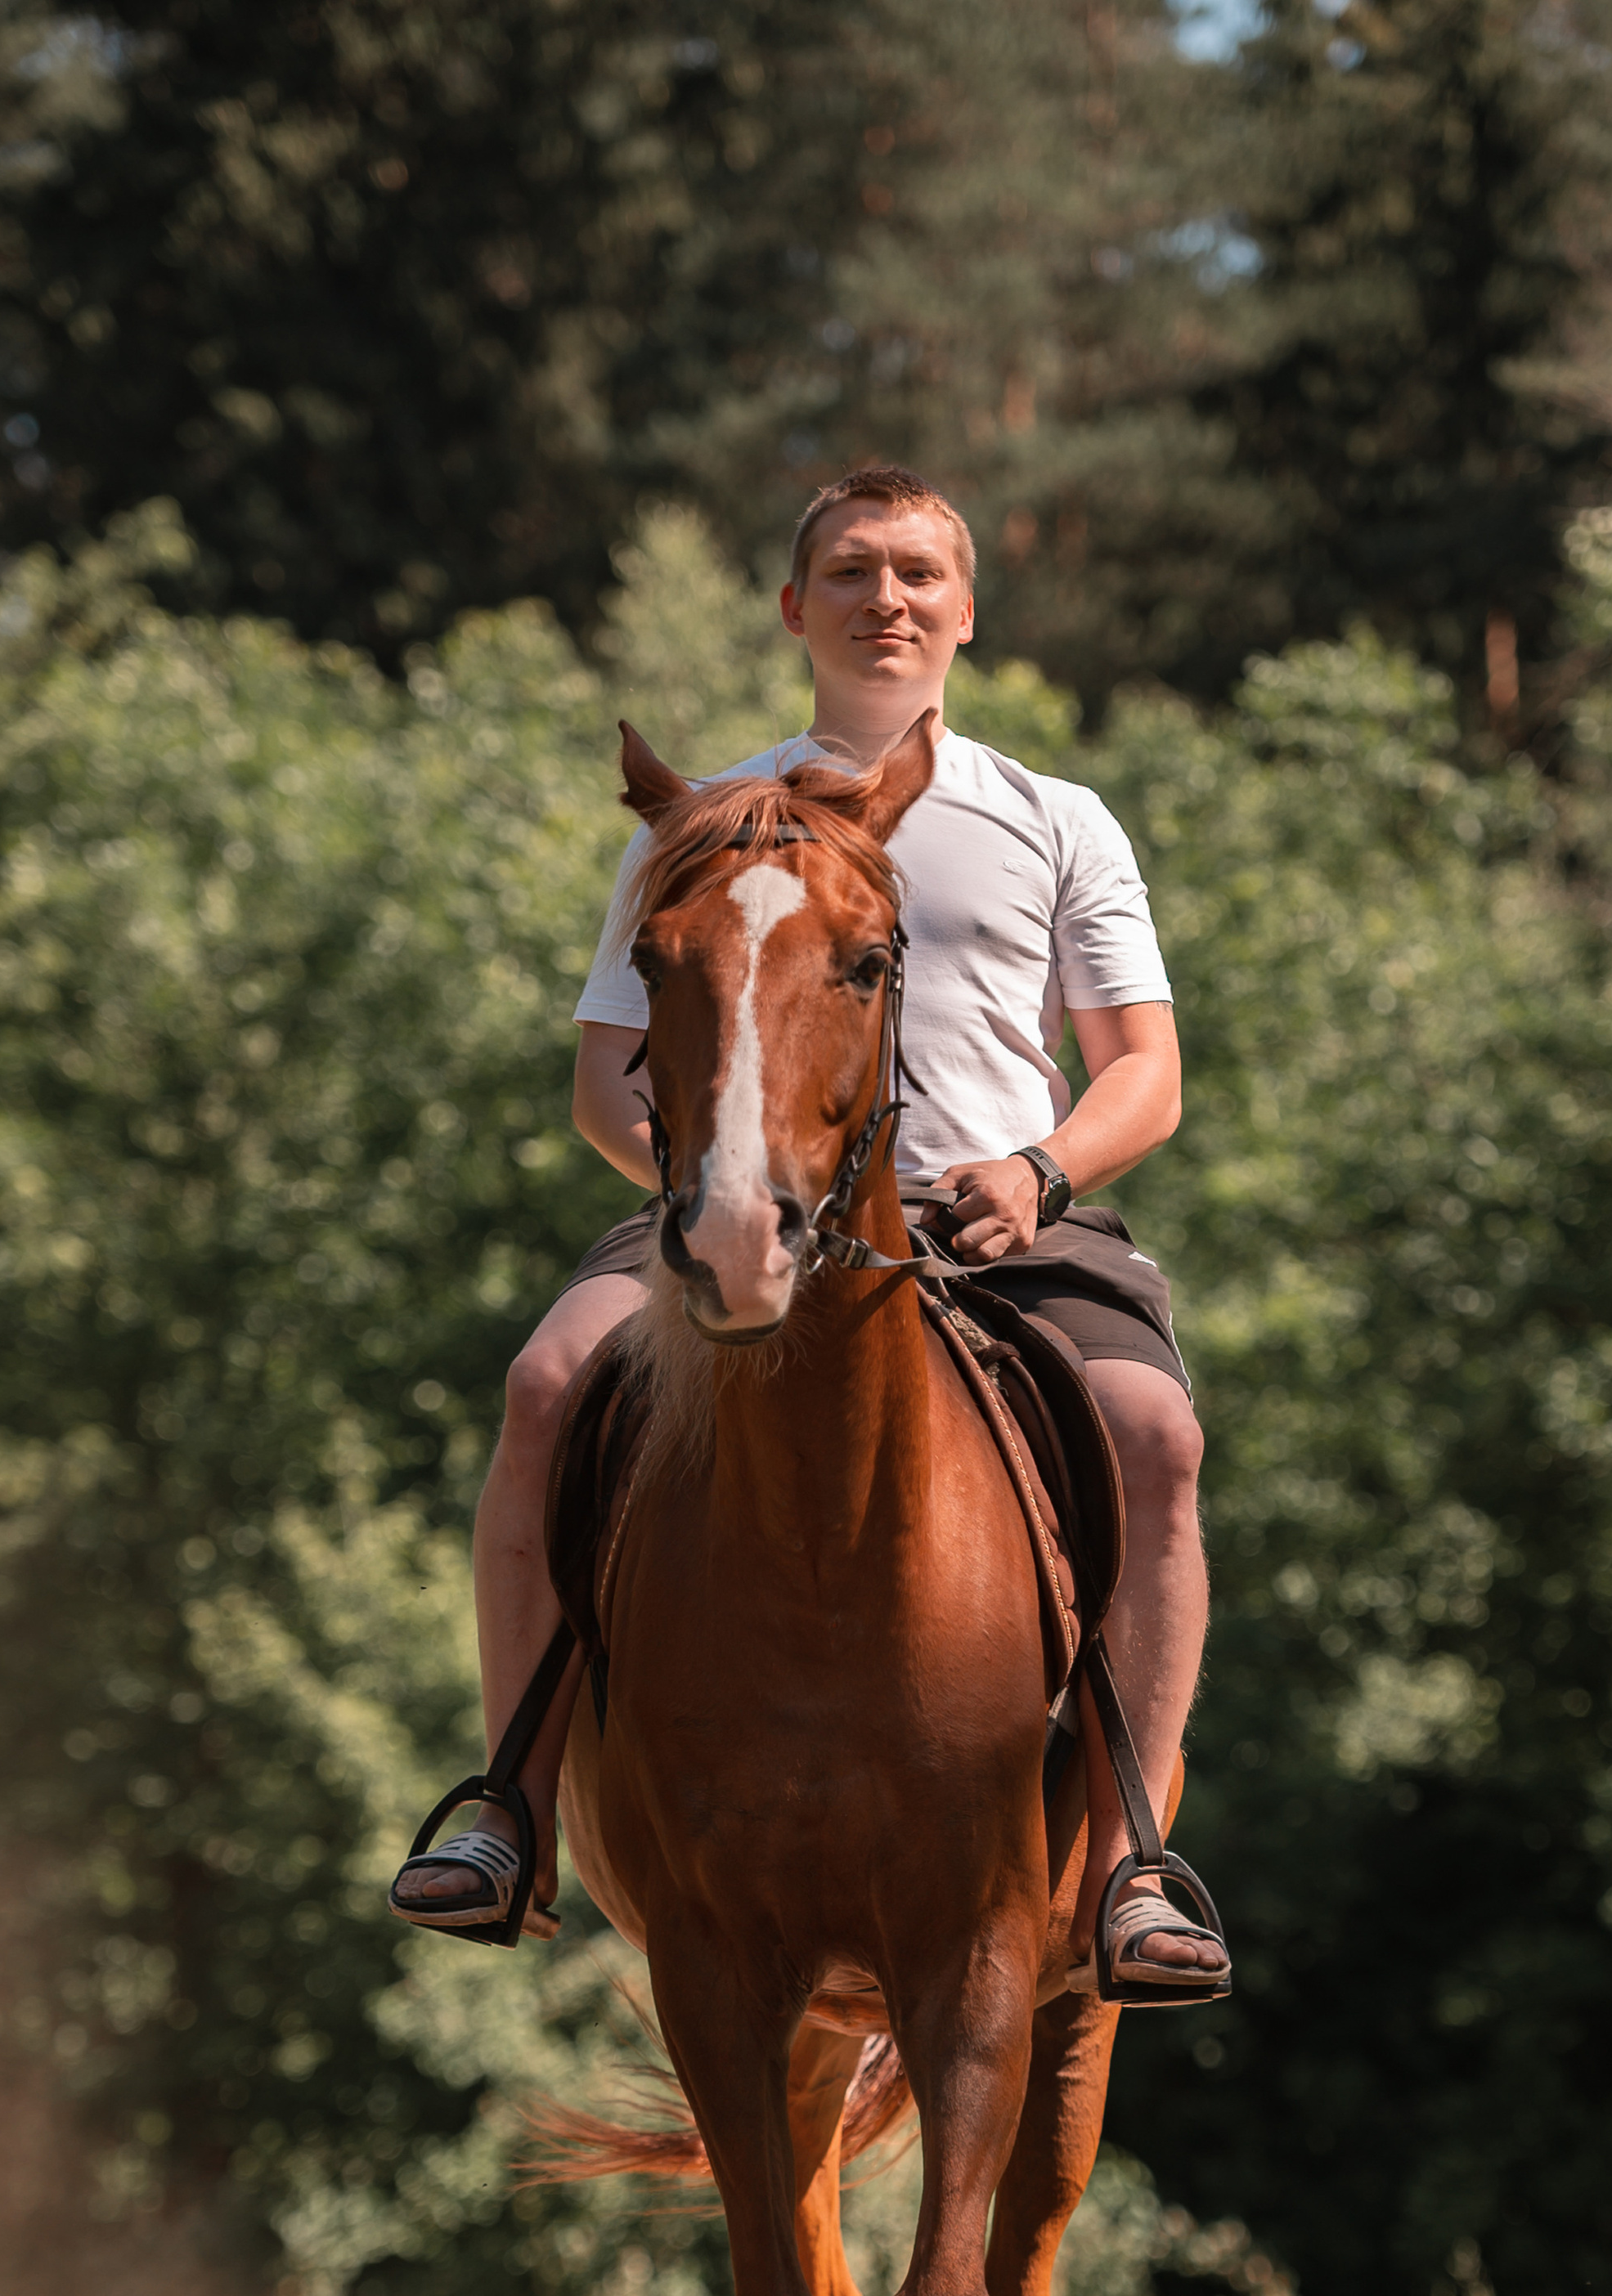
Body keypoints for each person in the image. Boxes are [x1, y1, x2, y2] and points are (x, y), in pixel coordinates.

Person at [390, 463, 1228, 1999]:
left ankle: (1129, 1858)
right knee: (542, 1388)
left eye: (918, 572)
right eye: (851, 570)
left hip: (994, 1222)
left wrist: (1039, 1171)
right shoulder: (703, 818)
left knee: (1154, 1439)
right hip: (736, 1209)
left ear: (967, 613)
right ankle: (509, 1807)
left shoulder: (1057, 819)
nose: (886, 597)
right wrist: (705, 1183)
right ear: (796, 608)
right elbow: (601, 1077)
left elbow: (1147, 1073)